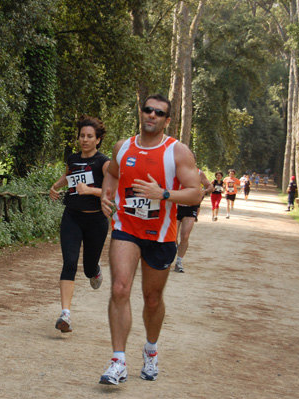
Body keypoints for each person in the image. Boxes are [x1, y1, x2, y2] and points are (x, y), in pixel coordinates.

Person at [98, 94, 202, 385]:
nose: (152, 115)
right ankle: (118, 361)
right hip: (126, 228)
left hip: (161, 235)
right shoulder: (123, 147)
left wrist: (164, 194)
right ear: (141, 113)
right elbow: (112, 173)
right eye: (148, 110)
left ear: (167, 121)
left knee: (152, 299)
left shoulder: (178, 152)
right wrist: (107, 198)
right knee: (120, 288)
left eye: (159, 113)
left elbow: (196, 192)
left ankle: (151, 350)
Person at [49, 115, 110, 333]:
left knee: (87, 268)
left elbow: (114, 191)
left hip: (96, 220)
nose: (84, 140)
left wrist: (92, 190)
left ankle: (95, 270)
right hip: (72, 217)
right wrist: (55, 186)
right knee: (70, 262)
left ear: (98, 140)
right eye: (82, 136)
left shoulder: (104, 163)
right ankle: (65, 314)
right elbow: (68, 175)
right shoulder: (73, 158)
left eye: (90, 136)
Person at [174, 169, 213, 273]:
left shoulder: (199, 173)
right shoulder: (176, 170)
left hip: (191, 207)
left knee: (185, 235)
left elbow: (210, 186)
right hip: (176, 206)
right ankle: (172, 253)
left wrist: (205, 191)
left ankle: (179, 262)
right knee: (173, 236)